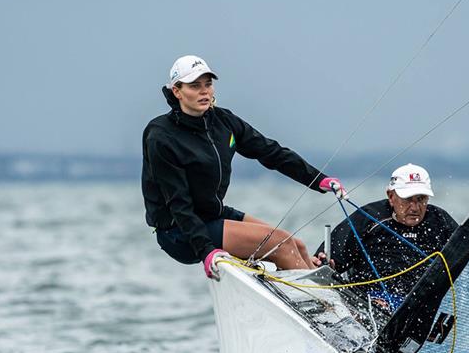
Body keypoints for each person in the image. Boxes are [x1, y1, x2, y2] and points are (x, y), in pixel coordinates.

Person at [142, 55, 346, 277]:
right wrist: (207, 252)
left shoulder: (223, 121)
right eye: (194, 86)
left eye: (208, 84)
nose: (204, 91)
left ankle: (330, 295)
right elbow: (178, 204)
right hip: (179, 231)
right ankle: (321, 304)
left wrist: (319, 180)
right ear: (177, 91)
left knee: (296, 245)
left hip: (212, 215)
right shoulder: (160, 136)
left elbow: (271, 152)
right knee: (282, 246)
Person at [315, 163, 457, 308]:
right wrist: (326, 264)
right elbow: (323, 265)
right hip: (368, 303)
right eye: (407, 199)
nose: (415, 207)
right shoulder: (368, 218)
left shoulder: (441, 221)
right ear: (391, 196)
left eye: (421, 199)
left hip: (422, 307)